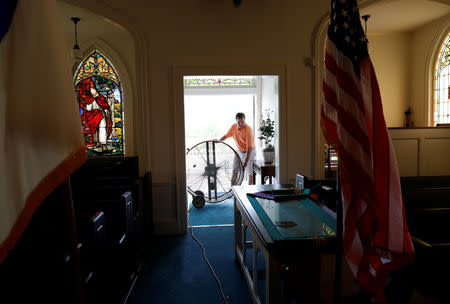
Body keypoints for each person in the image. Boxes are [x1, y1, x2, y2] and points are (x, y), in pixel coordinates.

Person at [220, 112, 256, 185]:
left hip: (250, 151)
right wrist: (219, 140)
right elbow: (226, 135)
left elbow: (249, 147)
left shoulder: (248, 129)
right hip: (239, 151)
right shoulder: (233, 127)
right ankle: (233, 191)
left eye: (243, 122)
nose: (241, 124)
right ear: (236, 121)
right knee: (235, 171)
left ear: (244, 120)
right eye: (239, 122)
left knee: (250, 173)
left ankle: (249, 192)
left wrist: (246, 161)